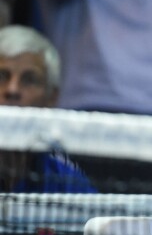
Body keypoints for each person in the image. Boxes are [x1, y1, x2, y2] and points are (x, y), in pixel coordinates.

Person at [0, 24, 95, 192]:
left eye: (29, 79)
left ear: (52, 97)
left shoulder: (66, 180)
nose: (12, 90)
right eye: (2, 76)